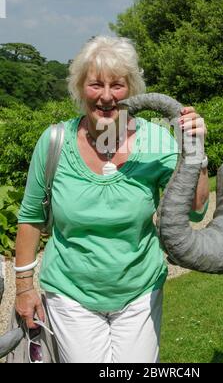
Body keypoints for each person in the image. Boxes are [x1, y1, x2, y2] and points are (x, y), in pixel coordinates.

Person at [15, 36, 209, 363]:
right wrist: (23, 288)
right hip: (70, 294)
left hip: (140, 292)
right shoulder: (54, 142)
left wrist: (194, 149)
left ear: (132, 90)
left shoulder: (156, 140)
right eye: (95, 85)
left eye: (117, 85)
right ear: (79, 89)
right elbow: (31, 217)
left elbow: (196, 208)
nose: (106, 96)